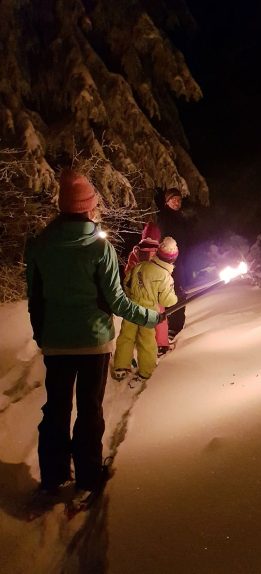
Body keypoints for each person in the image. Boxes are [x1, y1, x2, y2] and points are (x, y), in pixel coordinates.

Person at [25, 169, 162, 506]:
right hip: (93, 343)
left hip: (56, 343)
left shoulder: (41, 244)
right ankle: (87, 475)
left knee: (55, 409)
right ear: (88, 207)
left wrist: (42, 335)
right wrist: (150, 316)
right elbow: (115, 301)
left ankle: (53, 475)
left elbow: (35, 298)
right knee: (89, 409)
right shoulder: (99, 246)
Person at [113, 236, 179, 380]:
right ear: (172, 259)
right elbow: (166, 300)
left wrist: (132, 297)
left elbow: (127, 282)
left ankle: (120, 367)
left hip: (131, 309)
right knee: (147, 341)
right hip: (148, 313)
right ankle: (146, 371)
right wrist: (176, 297)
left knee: (126, 337)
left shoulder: (141, 266)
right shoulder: (165, 276)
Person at [156, 188, 195, 340]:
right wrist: (169, 261)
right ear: (167, 201)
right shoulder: (164, 218)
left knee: (181, 292)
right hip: (170, 263)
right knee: (173, 293)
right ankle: (173, 327)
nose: (177, 203)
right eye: (174, 200)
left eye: (179, 200)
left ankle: (176, 325)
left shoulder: (180, 218)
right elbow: (163, 241)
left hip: (182, 261)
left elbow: (187, 239)